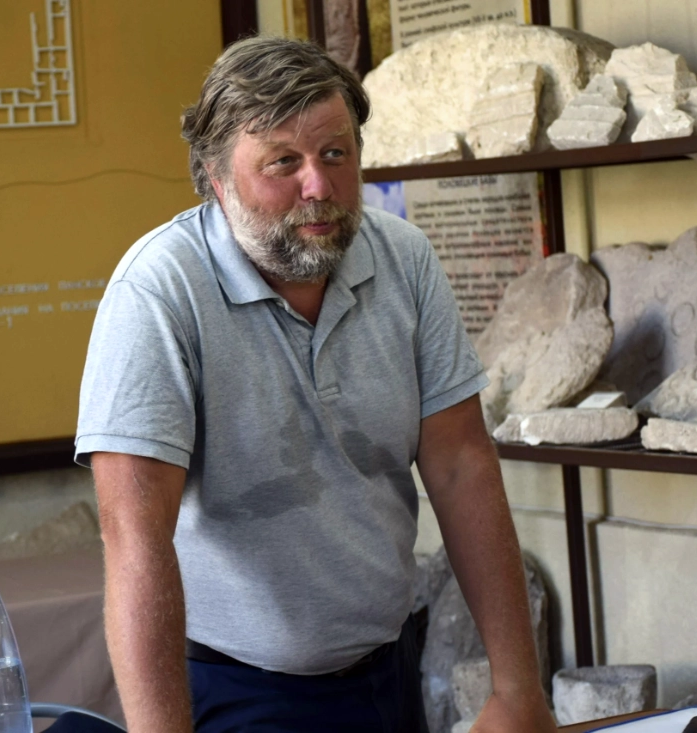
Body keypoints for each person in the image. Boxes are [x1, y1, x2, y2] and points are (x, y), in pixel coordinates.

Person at [75, 36, 556, 733]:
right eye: (283, 163)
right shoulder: (159, 290)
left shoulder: (404, 259)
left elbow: (460, 464)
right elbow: (133, 537)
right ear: (215, 177)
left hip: (388, 668)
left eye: (336, 155)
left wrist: (519, 689)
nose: (319, 187)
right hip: (234, 686)